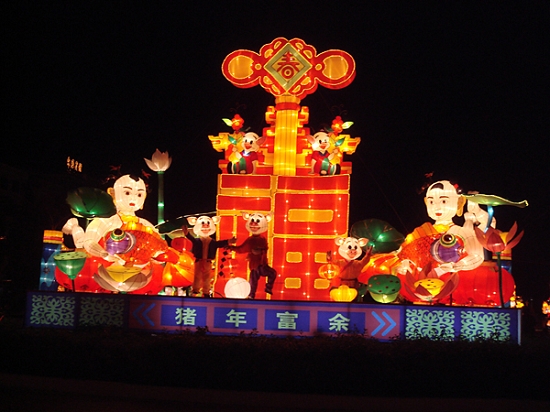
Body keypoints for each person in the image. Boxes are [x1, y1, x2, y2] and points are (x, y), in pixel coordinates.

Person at [230, 212, 275, 299]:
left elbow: (263, 249)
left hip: (262, 264)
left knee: (271, 273)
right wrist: (232, 248)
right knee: (253, 281)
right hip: (255, 266)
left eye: (257, 221)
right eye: (252, 221)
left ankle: (267, 288)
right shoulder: (250, 240)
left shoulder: (262, 239)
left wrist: (260, 251)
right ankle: (252, 295)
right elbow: (241, 249)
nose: (254, 224)